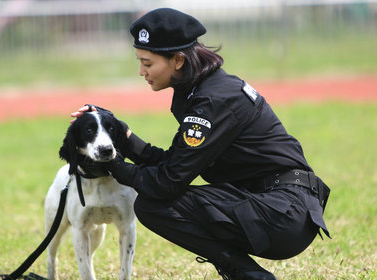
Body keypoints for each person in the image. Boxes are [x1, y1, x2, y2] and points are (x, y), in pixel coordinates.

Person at [71, 8, 330, 280]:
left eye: (147, 64)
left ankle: (248, 275)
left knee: (152, 205)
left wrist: (112, 164)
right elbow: (174, 164)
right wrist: (118, 131)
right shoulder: (204, 89)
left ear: (178, 60)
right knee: (156, 199)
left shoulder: (212, 102)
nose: (141, 71)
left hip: (283, 215)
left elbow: (168, 181)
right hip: (278, 208)